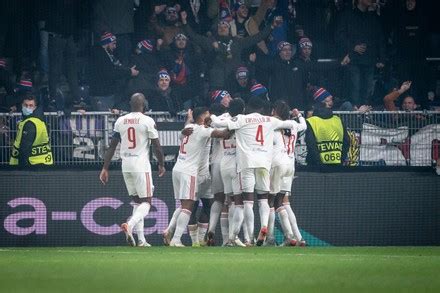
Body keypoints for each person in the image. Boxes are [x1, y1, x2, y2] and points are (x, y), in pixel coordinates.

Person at [212, 97, 305, 246]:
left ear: (249, 107)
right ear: (262, 109)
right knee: (263, 200)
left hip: (246, 163)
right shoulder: (270, 120)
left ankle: (248, 238)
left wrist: (211, 116)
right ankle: (264, 226)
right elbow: (291, 124)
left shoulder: (242, 119)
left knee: (247, 202)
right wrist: (297, 118)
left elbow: (218, 123)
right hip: (264, 164)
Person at [99, 93, 165, 247]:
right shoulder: (147, 120)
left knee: (137, 202)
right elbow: (156, 146)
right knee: (147, 202)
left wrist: (104, 168)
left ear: (130, 104)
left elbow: (112, 146)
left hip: (126, 164)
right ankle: (131, 224)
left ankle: (141, 240)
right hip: (141, 164)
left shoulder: (120, 120)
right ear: (144, 104)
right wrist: (161, 164)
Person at [164, 107, 230, 247]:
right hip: (190, 171)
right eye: (207, 114)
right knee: (188, 207)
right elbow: (224, 134)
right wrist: (237, 124)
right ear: (202, 117)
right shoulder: (202, 130)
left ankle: (179, 234)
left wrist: (189, 118)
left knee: (186, 205)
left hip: (178, 168)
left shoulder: (189, 127)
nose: (210, 115)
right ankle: (176, 239)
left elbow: (185, 130)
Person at [268, 100, 307, 246]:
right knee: (284, 202)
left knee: (269, 201)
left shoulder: (275, 125)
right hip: (291, 165)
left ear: (275, 111)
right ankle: (297, 237)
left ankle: (271, 237)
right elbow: (304, 125)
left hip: (278, 164)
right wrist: (299, 115)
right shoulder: (294, 125)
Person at [89, 32, 139, 111]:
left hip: (107, 94)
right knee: (104, 120)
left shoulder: (107, 54)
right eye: (113, 44)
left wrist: (128, 70)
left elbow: (117, 68)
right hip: (101, 95)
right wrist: (129, 72)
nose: (115, 47)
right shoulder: (100, 55)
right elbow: (110, 72)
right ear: (107, 43)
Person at [305, 88, 350, 166]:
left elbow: (311, 145)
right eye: (328, 99)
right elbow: (346, 142)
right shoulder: (338, 120)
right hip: (336, 165)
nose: (331, 100)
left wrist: (318, 163)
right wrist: (341, 160)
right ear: (323, 102)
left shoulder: (311, 121)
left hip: (316, 168)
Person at [9, 93, 53, 167]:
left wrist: (21, 167)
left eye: (30, 105)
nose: (27, 107)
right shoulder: (40, 120)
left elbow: (24, 148)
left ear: (35, 107)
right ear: (22, 105)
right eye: (25, 105)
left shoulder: (30, 123)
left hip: (30, 165)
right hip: (44, 162)